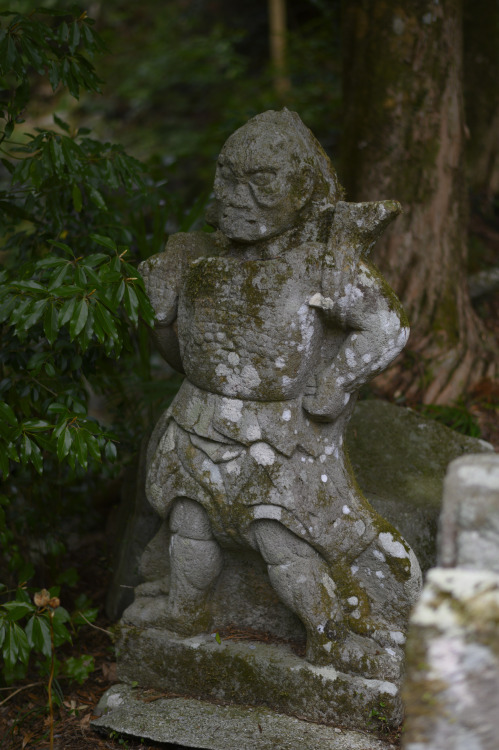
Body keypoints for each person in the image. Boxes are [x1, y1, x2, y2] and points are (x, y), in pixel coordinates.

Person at [137, 109, 421, 678]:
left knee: (279, 537)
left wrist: (333, 382)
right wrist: (163, 317)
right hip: (196, 417)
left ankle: (329, 632)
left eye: (262, 181)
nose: (237, 196)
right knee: (188, 522)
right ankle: (184, 614)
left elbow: (387, 325)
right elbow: (184, 359)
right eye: (227, 177)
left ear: (304, 191)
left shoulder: (319, 265)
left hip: (276, 436)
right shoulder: (195, 258)